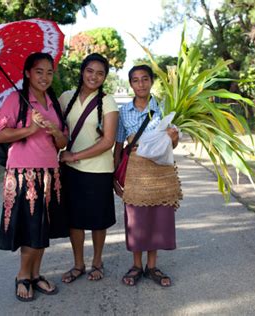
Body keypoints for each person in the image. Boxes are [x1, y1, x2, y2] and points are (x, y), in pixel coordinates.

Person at [0, 52, 68, 302]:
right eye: (39, 71)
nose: (44, 77)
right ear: (27, 73)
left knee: (42, 227)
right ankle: (22, 276)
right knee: (30, 227)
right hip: (23, 174)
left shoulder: (52, 102)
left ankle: (36, 275)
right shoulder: (16, 99)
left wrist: (56, 131)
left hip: (50, 173)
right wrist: (30, 128)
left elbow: (62, 143)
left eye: (49, 72)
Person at [114, 65, 182, 287]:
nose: (140, 84)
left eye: (145, 79)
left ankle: (152, 266)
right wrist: (114, 176)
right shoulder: (123, 112)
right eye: (135, 80)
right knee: (136, 219)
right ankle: (136, 265)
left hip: (159, 170)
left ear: (152, 81)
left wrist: (173, 137)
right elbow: (118, 145)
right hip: (135, 171)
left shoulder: (164, 108)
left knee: (156, 217)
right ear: (130, 83)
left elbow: (173, 143)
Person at [58, 53, 119, 283]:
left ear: (105, 78)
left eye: (100, 73)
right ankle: (78, 264)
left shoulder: (108, 101)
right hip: (71, 172)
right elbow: (59, 130)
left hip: (99, 170)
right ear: (82, 71)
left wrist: (75, 156)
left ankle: (97, 262)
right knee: (74, 220)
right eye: (90, 71)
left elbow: (108, 141)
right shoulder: (65, 98)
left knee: (97, 220)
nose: (94, 76)